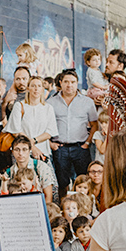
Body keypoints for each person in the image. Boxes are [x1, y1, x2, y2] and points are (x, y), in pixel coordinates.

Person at [47, 69, 98, 197]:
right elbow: (44, 126)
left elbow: (95, 125)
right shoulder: (50, 103)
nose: (69, 85)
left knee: (83, 182)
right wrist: (50, 144)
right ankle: (64, 210)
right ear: (61, 83)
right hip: (60, 148)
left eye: (72, 82)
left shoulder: (87, 102)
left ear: (77, 84)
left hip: (81, 147)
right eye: (66, 82)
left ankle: (84, 209)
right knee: (62, 183)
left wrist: (87, 143)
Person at [3, 75, 58, 163]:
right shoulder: (19, 105)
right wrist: (32, 147)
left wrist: (33, 141)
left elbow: (49, 132)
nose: (36, 89)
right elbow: (16, 131)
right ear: (28, 88)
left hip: (43, 152)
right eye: (33, 86)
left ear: (43, 89)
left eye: (39, 86)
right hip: (22, 152)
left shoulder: (48, 108)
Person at [0, 136, 57, 203]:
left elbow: (48, 196)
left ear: (30, 150)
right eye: (17, 149)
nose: (20, 153)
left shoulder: (41, 167)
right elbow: (3, 197)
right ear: (12, 151)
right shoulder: (9, 172)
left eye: (24, 149)